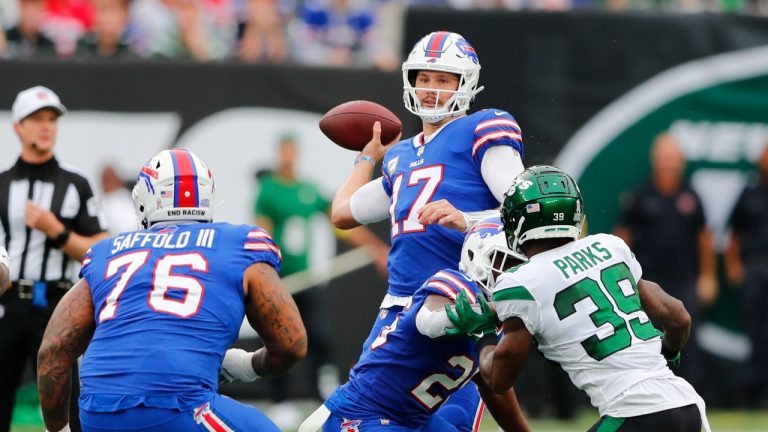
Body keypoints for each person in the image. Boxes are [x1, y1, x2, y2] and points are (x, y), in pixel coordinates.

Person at [330, 30, 525, 430]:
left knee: (350, 417)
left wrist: (468, 219)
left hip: (456, 305)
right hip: (398, 309)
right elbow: (343, 213)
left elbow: (525, 209)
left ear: (465, 83)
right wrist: (367, 159)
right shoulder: (400, 156)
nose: (431, 88)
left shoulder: (482, 128)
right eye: (424, 77)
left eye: (443, 79)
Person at [37, 149, 307, 432]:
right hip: (181, 406)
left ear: (144, 198)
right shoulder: (239, 244)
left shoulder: (107, 253)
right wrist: (247, 365)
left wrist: (60, 430)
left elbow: (53, 351)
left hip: (99, 412)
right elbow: (292, 344)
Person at [448, 165, 711, 432]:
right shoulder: (610, 246)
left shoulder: (519, 282)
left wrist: (482, 334)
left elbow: (498, 378)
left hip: (633, 412)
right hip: (688, 406)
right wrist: (668, 350)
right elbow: (679, 317)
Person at [294, 217, 530, 432]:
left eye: (519, 267)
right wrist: (482, 313)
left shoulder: (501, 318)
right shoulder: (456, 284)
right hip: (364, 413)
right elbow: (428, 319)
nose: (512, 274)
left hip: (414, 420)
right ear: (477, 258)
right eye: (507, 263)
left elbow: (493, 385)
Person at [254, 134, 388, 428]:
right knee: (279, 339)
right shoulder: (268, 190)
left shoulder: (308, 189)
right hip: (280, 279)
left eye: (292, 150)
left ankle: (321, 395)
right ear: (279, 153)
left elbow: (341, 224)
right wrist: (262, 272)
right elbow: (260, 231)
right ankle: (281, 401)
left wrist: (376, 249)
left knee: (319, 336)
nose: (288, 156)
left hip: (307, 277)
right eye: (284, 151)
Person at [0, 85, 109, 432]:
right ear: (18, 126)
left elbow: (100, 249)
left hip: (58, 303)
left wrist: (56, 231)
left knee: (67, 402)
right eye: (36, 119)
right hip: (8, 302)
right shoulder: (1, 184)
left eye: (51, 119)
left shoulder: (76, 184)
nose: (46, 126)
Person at [613, 132, 717, 392]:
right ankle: (647, 396)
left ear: (681, 161)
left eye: (673, 158)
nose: (669, 163)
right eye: (664, 158)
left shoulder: (691, 196)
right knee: (645, 343)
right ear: (655, 160)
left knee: (686, 341)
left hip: (684, 283)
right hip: (648, 285)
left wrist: (708, 276)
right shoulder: (640, 195)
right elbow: (621, 238)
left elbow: (705, 238)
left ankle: (689, 396)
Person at [725, 143, 768, 408]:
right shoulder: (750, 193)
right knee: (755, 333)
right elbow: (733, 233)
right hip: (755, 269)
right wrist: (734, 267)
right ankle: (751, 395)